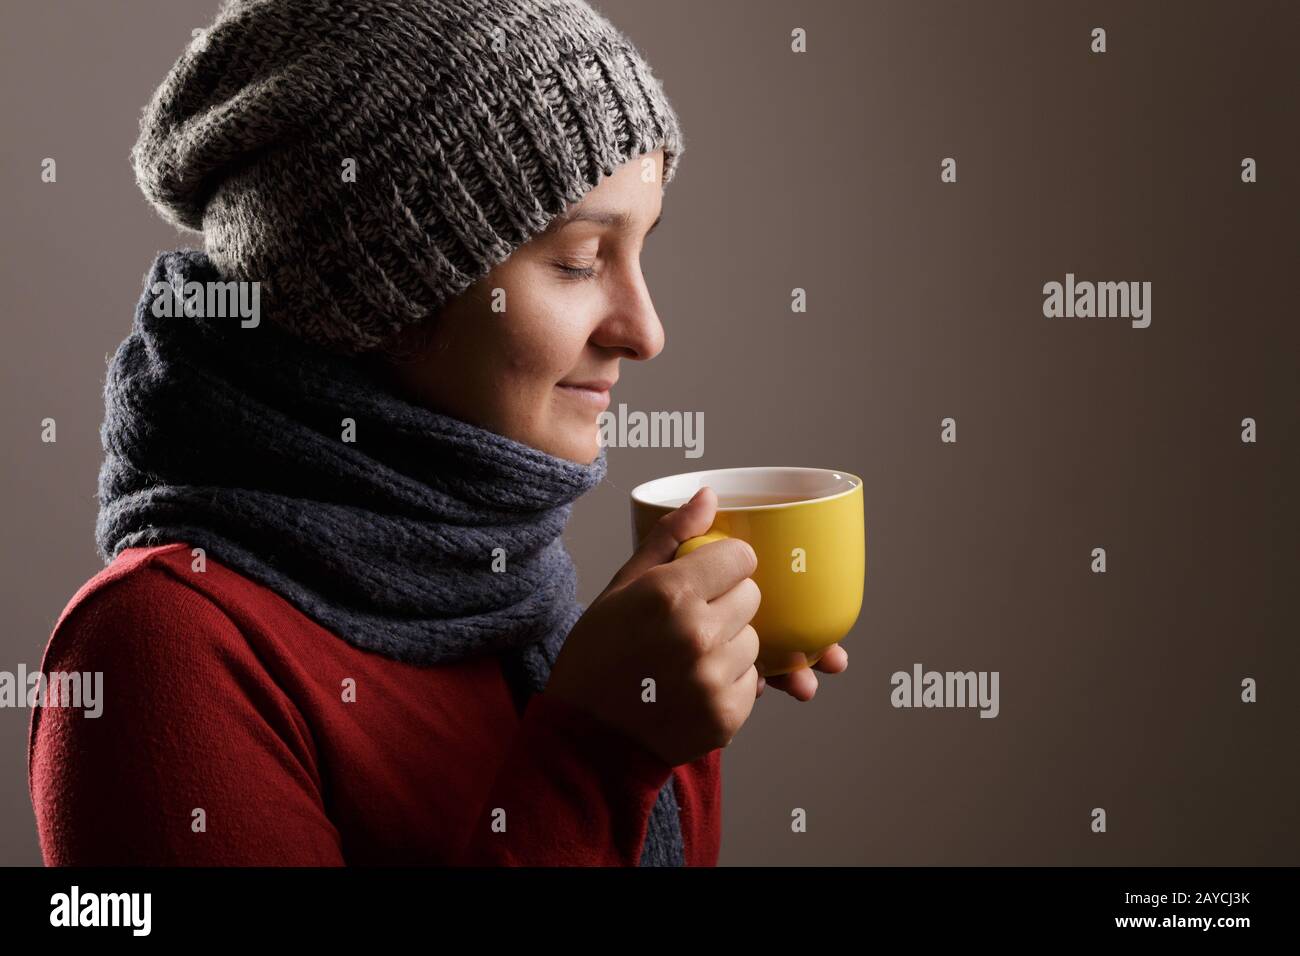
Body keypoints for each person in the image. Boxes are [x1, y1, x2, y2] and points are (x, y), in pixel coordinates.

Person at [28, 0, 846, 867]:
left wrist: (671, 716)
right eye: (577, 261)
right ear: (374, 295)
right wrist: (603, 752)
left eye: (641, 249)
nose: (646, 332)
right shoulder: (157, 654)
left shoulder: (531, 614)